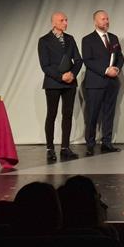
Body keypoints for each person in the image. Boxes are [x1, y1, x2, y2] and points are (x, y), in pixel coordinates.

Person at [37, 11, 83, 162]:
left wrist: (72, 74)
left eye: (66, 20)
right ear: (54, 23)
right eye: (62, 20)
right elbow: (45, 65)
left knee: (67, 114)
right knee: (52, 114)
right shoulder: (44, 40)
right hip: (53, 82)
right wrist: (60, 76)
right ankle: (50, 148)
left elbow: (78, 60)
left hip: (70, 82)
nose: (65, 23)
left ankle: (65, 147)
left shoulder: (70, 39)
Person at [82, 10, 124, 156]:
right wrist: (106, 70)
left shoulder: (113, 38)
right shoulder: (87, 39)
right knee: (92, 115)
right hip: (95, 83)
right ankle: (90, 144)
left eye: (107, 19)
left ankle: (107, 143)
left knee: (109, 114)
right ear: (95, 22)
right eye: (103, 19)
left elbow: (120, 57)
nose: (106, 21)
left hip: (112, 83)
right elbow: (88, 61)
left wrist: (117, 69)